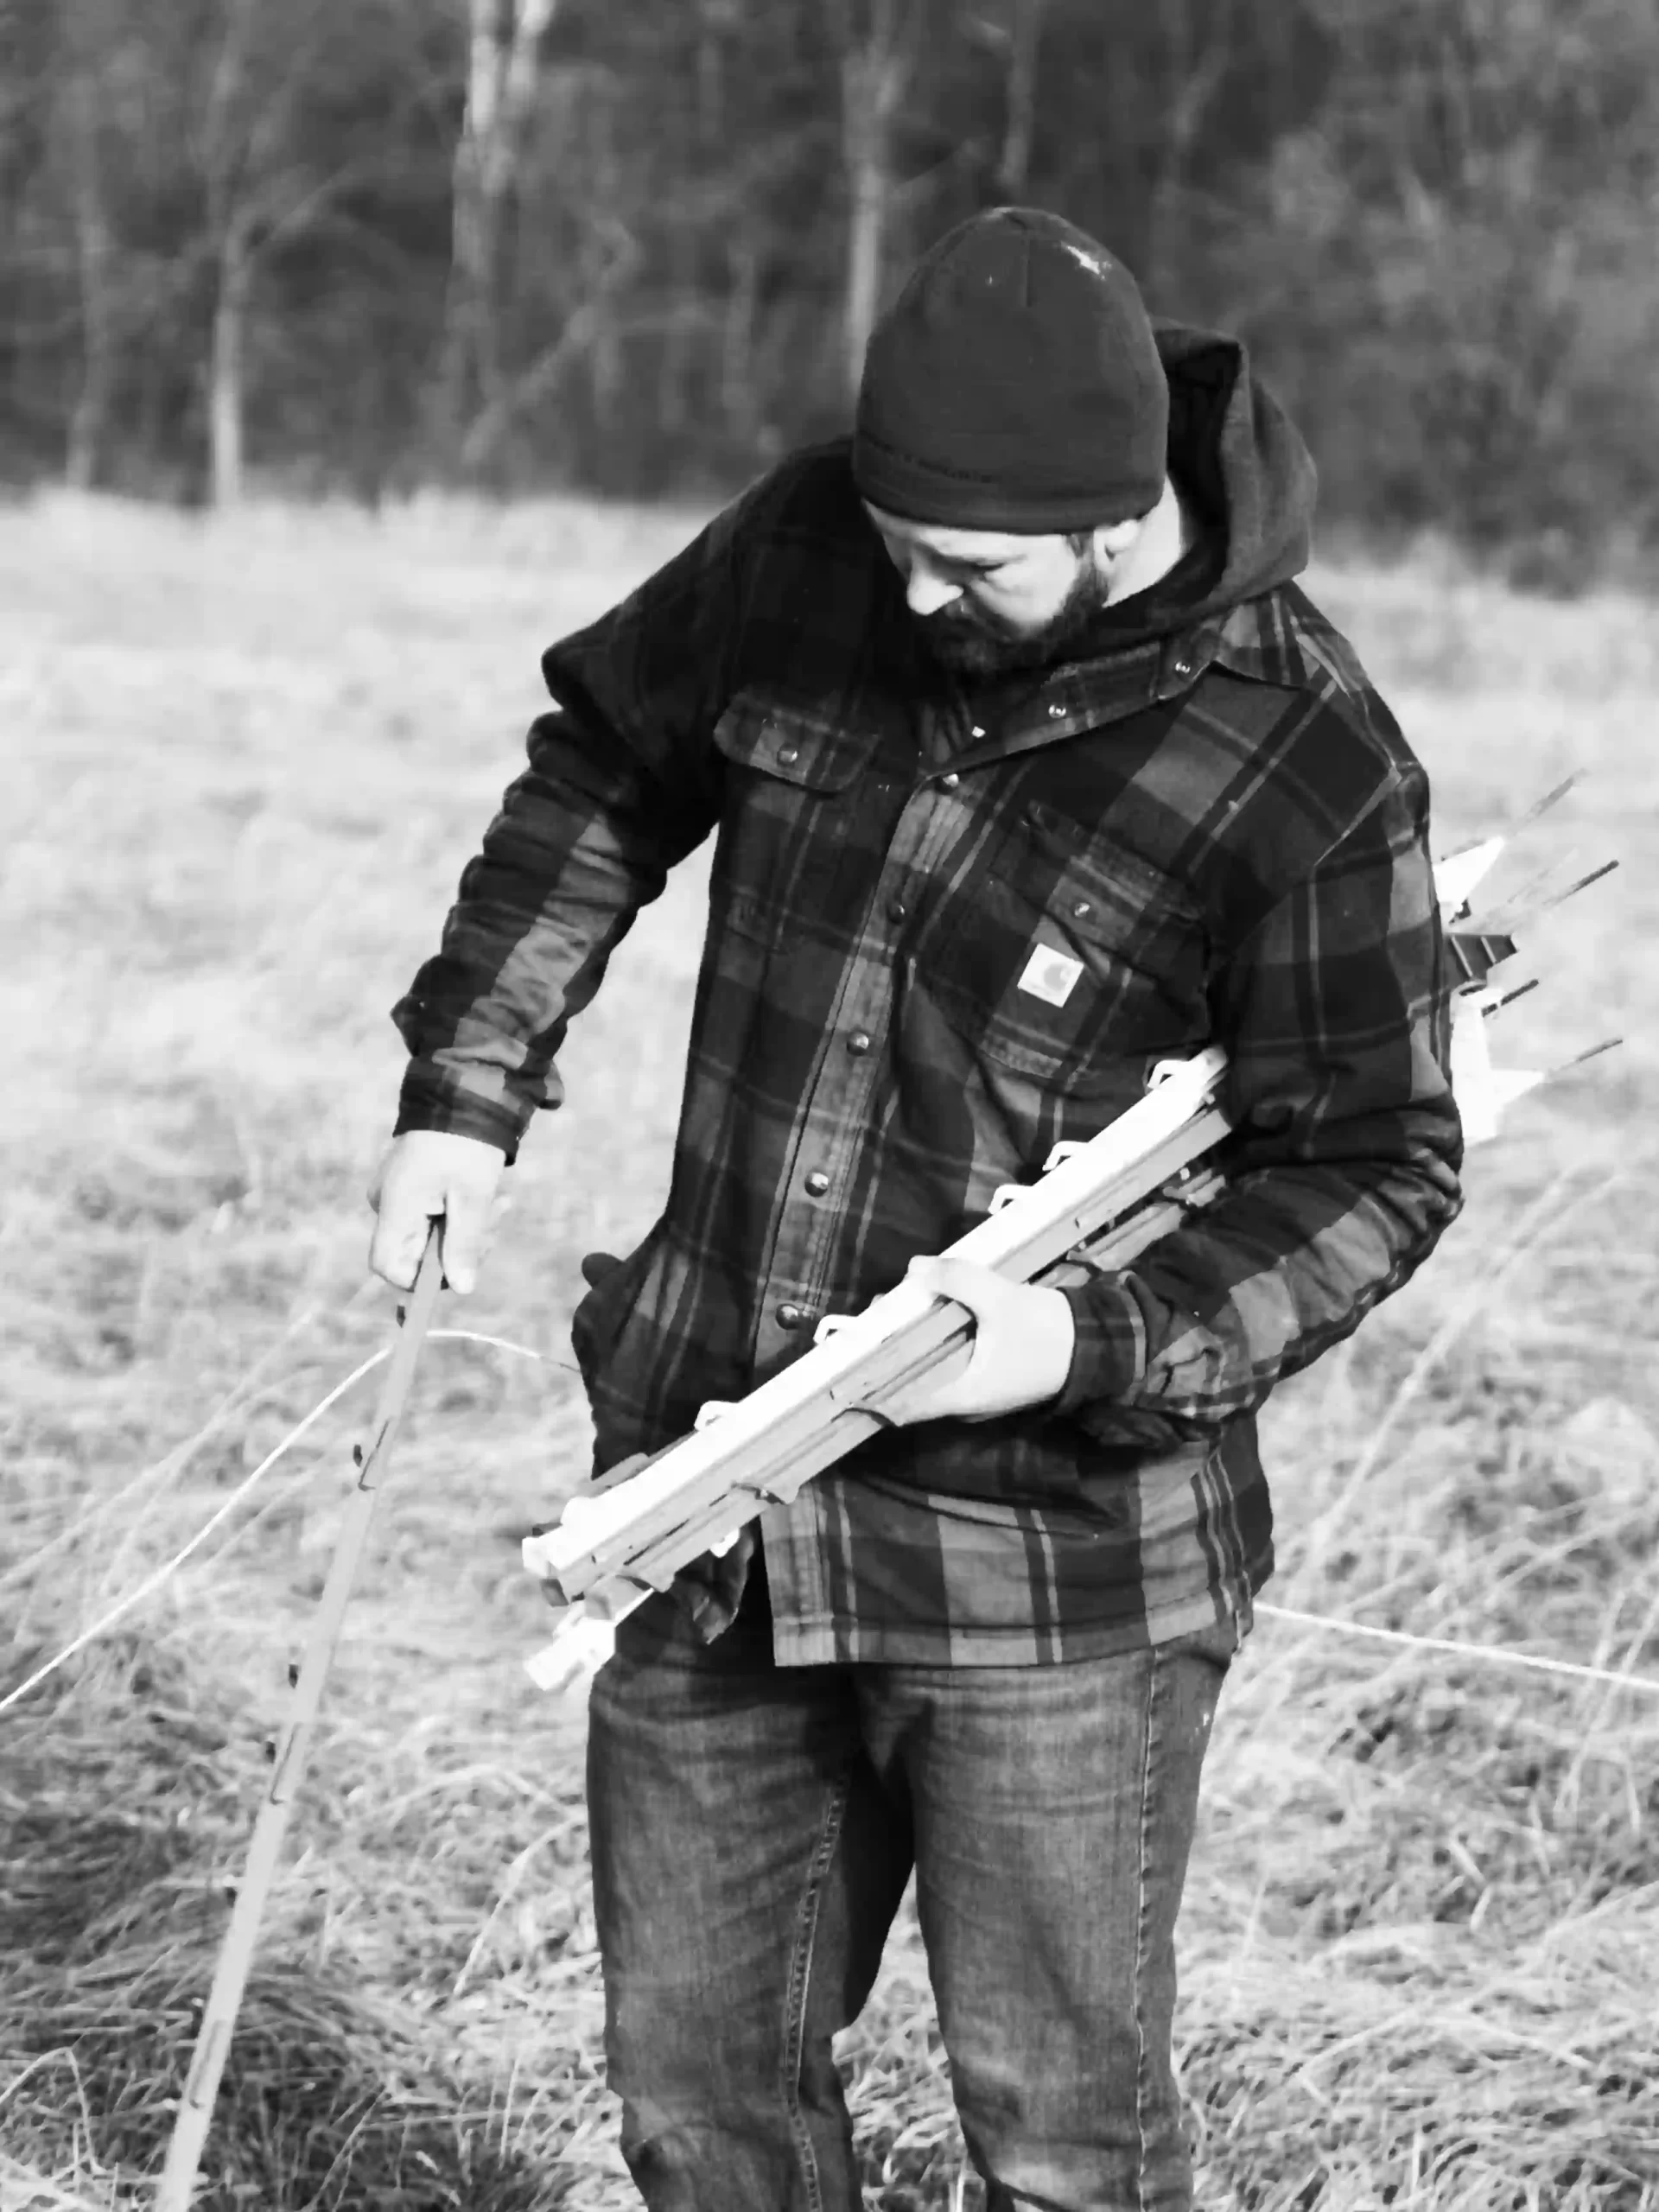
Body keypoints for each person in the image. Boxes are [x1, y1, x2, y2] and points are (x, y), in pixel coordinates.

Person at [370, 207, 1462, 2212]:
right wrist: (466, 1087)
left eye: (969, 564)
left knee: (1061, 2142)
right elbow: (602, 765)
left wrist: (1095, 1337)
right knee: (704, 2114)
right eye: (894, 537)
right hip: (710, 1503)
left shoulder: (1302, 755)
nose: (910, 587)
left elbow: (1376, 1160)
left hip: (1053, 1569)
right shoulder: (808, 548)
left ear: (1120, 514)